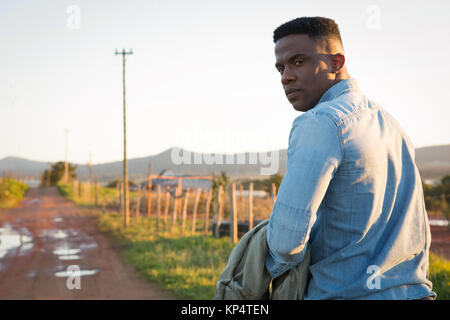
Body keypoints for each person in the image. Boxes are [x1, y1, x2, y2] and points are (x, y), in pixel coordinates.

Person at [265, 16, 436, 300]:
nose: (285, 77)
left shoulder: (321, 122)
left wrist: (259, 259)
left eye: (298, 62)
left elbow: (285, 243)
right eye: (280, 68)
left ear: (336, 62)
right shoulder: (392, 125)